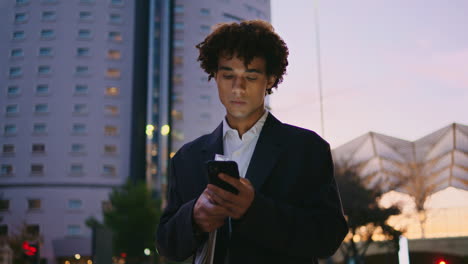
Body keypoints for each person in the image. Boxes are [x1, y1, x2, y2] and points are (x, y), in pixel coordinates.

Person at [156, 20, 348, 264]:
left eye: (251, 76)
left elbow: (328, 236)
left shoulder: (307, 149)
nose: (238, 88)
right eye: (228, 75)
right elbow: (165, 244)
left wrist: (255, 209)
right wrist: (193, 217)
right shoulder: (187, 157)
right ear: (214, 76)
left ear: (270, 79)